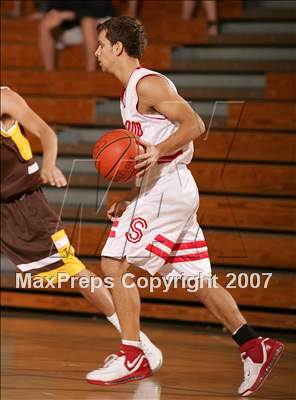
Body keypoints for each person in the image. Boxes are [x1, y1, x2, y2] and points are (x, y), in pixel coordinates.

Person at [88, 16, 284, 396]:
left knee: (114, 261)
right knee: (199, 281)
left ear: (117, 47)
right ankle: (253, 346)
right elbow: (146, 157)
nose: (95, 52)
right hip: (162, 188)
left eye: (100, 44)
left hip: (169, 189)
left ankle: (133, 353)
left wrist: (159, 151)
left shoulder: (149, 83)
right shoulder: (129, 93)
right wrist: (130, 196)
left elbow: (195, 124)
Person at [0, 86, 162, 375]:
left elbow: (46, 133)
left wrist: (48, 164)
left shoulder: (4, 98)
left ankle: (138, 344)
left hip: (25, 205)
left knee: (74, 271)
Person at [38, 1, 114, 71]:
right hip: (71, 24)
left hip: (98, 21)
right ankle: (49, 73)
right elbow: (53, 7)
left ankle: (91, 73)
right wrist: (54, 14)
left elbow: (98, 9)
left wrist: (70, 14)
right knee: (46, 24)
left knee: (87, 22)